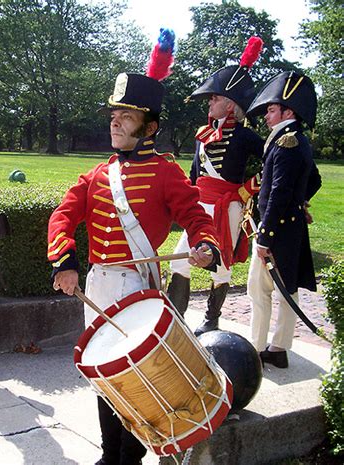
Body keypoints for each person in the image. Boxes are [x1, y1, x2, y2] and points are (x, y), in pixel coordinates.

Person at [47, 30, 221, 465]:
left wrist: (204, 246)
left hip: (136, 289)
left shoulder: (165, 173)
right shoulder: (98, 175)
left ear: (150, 126)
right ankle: (111, 455)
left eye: (126, 115)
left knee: (137, 376)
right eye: (115, 113)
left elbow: (199, 219)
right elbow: (62, 216)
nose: (115, 121)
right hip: (96, 285)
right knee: (105, 376)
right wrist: (64, 261)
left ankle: (130, 456)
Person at [168, 37, 265, 336]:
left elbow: (273, 163)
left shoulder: (246, 137)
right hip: (199, 205)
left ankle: (211, 319)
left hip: (228, 206)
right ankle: (176, 322)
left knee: (221, 266)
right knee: (180, 261)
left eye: (214, 98)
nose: (209, 102)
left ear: (230, 104)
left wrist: (247, 189)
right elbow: (194, 173)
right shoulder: (202, 134)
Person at [246, 71, 322, 368]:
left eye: (272, 109)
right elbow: (312, 179)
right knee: (283, 289)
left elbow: (278, 192)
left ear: (288, 112)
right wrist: (300, 201)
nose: (267, 115)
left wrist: (264, 236)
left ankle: (258, 347)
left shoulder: (287, 142)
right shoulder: (291, 140)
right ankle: (277, 347)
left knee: (261, 289)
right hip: (287, 227)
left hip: (276, 230)